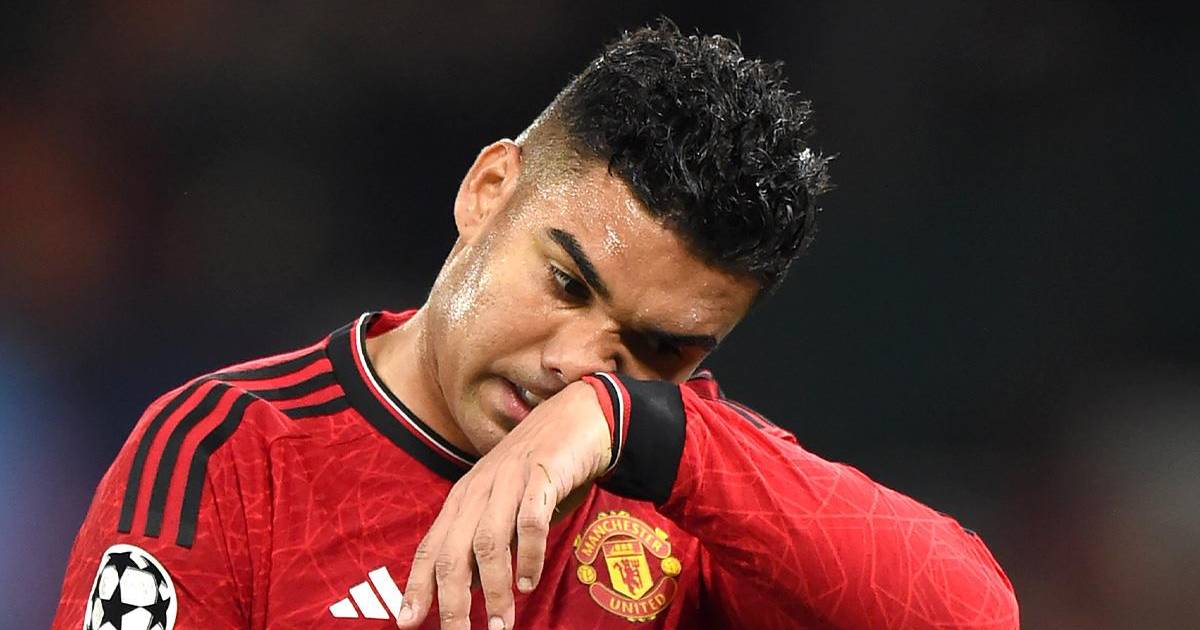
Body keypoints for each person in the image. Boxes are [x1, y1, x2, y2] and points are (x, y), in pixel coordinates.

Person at [53, 21, 1017, 630]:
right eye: (565, 283)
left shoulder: (693, 485)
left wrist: (632, 424)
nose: (579, 364)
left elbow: (974, 615)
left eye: (657, 349)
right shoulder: (232, 454)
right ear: (488, 190)